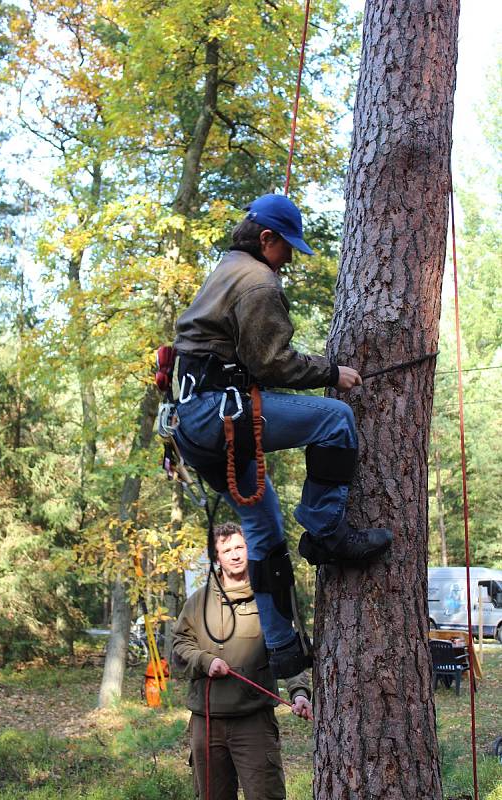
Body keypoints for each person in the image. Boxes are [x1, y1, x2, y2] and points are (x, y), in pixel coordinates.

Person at [173, 193, 393, 677]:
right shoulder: (256, 282)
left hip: (193, 424)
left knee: (263, 530)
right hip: (218, 414)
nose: (289, 257)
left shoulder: (228, 266)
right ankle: (326, 532)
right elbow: (271, 361)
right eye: (286, 247)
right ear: (266, 238)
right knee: (335, 419)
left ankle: (282, 648)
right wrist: (332, 372)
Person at [173, 522, 312, 800]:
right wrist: (204, 660)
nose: (235, 555)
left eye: (240, 547)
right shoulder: (198, 602)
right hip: (207, 722)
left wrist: (299, 692)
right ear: (217, 557)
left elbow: (285, 650)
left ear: (249, 551)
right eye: (226, 550)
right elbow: (179, 647)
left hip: (254, 721)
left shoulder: (269, 600)